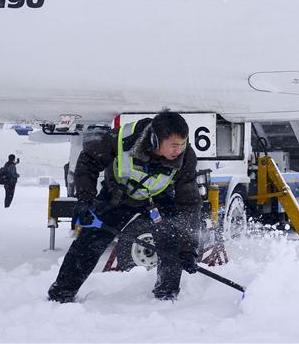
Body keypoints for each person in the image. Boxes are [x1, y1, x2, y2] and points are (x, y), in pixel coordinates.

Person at [47, 111, 200, 303]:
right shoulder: (123, 138)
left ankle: (166, 295)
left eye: (183, 144)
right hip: (118, 196)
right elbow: (88, 161)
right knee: (90, 240)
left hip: (157, 198)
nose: (179, 150)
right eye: (174, 145)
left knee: (172, 240)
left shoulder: (186, 158)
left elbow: (189, 203)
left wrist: (188, 249)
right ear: (155, 140)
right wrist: (85, 200)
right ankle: (61, 293)